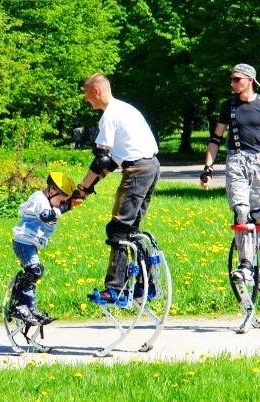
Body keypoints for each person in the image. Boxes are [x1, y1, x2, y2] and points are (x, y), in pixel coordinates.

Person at [200, 63, 260, 283]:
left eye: (236, 79)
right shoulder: (229, 106)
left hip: (259, 162)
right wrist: (208, 169)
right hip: (236, 159)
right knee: (242, 211)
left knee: (257, 215)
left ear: (249, 80)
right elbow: (215, 139)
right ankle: (245, 265)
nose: (232, 83)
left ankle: (255, 263)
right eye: (232, 79)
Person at [74, 73, 160, 304]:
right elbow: (113, 162)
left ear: (97, 91)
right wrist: (87, 190)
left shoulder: (109, 115)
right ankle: (145, 286)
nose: (85, 99)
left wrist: (82, 188)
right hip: (151, 166)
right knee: (131, 230)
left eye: (86, 93)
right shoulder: (125, 109)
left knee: (118, 230)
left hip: (137, 171)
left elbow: (101, 161)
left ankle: (115, 289)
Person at [9, 172, 79, 325]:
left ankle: (29, 305)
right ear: (52, 191)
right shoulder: (40, 199)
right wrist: (63, 209)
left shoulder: (47, 200)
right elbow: (46, 216)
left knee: (34, 273)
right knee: (34, 270)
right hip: (23, 241)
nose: (60, 205)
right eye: (60, 201)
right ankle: (19, 306)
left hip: (29, 242)